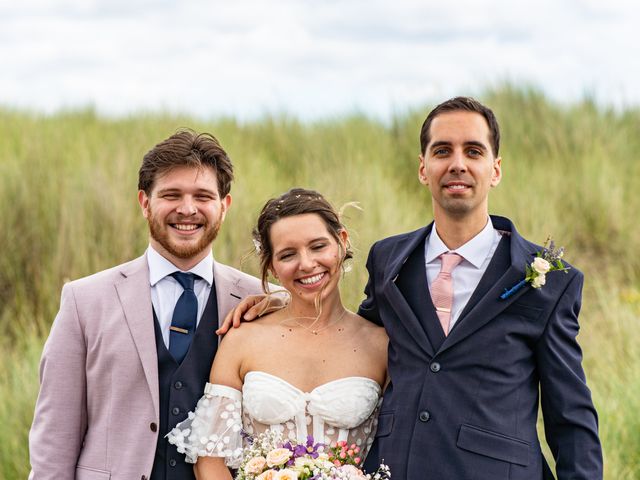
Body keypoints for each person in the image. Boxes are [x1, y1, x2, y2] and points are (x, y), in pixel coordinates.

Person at [222, 98, 603, 479]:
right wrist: (283, 301)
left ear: (495, 169)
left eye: (473, 151)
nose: (457, 164)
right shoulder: (389, 261)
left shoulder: (548, 278)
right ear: (423, 168)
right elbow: (347, 333)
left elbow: (570, 418)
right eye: (442, 151)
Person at [28, 130, 265, 480]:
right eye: (172, 195)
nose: (188, 209)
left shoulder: (261, 300)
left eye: (203, 196)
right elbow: (54, 437)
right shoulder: (84, 300)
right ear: (144, 202)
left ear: (224, 206)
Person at [167, 188, 388, 479]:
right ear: (271, 266)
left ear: (342, 242)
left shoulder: (380, 345)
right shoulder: (241, 341)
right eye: (288, 254)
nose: (306, 264)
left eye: (318, 246)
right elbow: (211, 458)